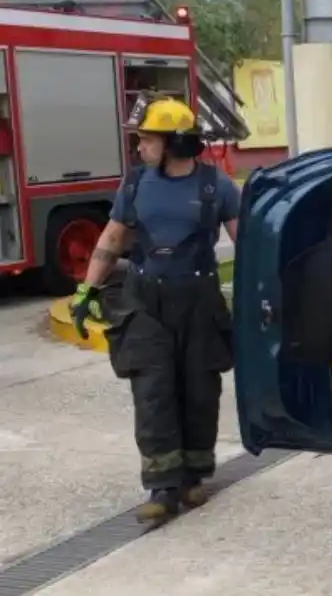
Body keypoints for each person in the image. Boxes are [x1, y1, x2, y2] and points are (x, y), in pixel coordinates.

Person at [69, 94, 240, 525]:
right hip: (144, 300)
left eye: (147, 139)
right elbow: (111, 239)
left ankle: (193, 476)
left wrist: (268, 293)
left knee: (200, 389)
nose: (140, 147)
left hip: (199, 301)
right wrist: (86, 290)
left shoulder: (215, 186)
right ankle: (162, 487)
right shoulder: (134, 184)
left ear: (176, 144)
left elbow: (248, 243)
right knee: (152, 390)